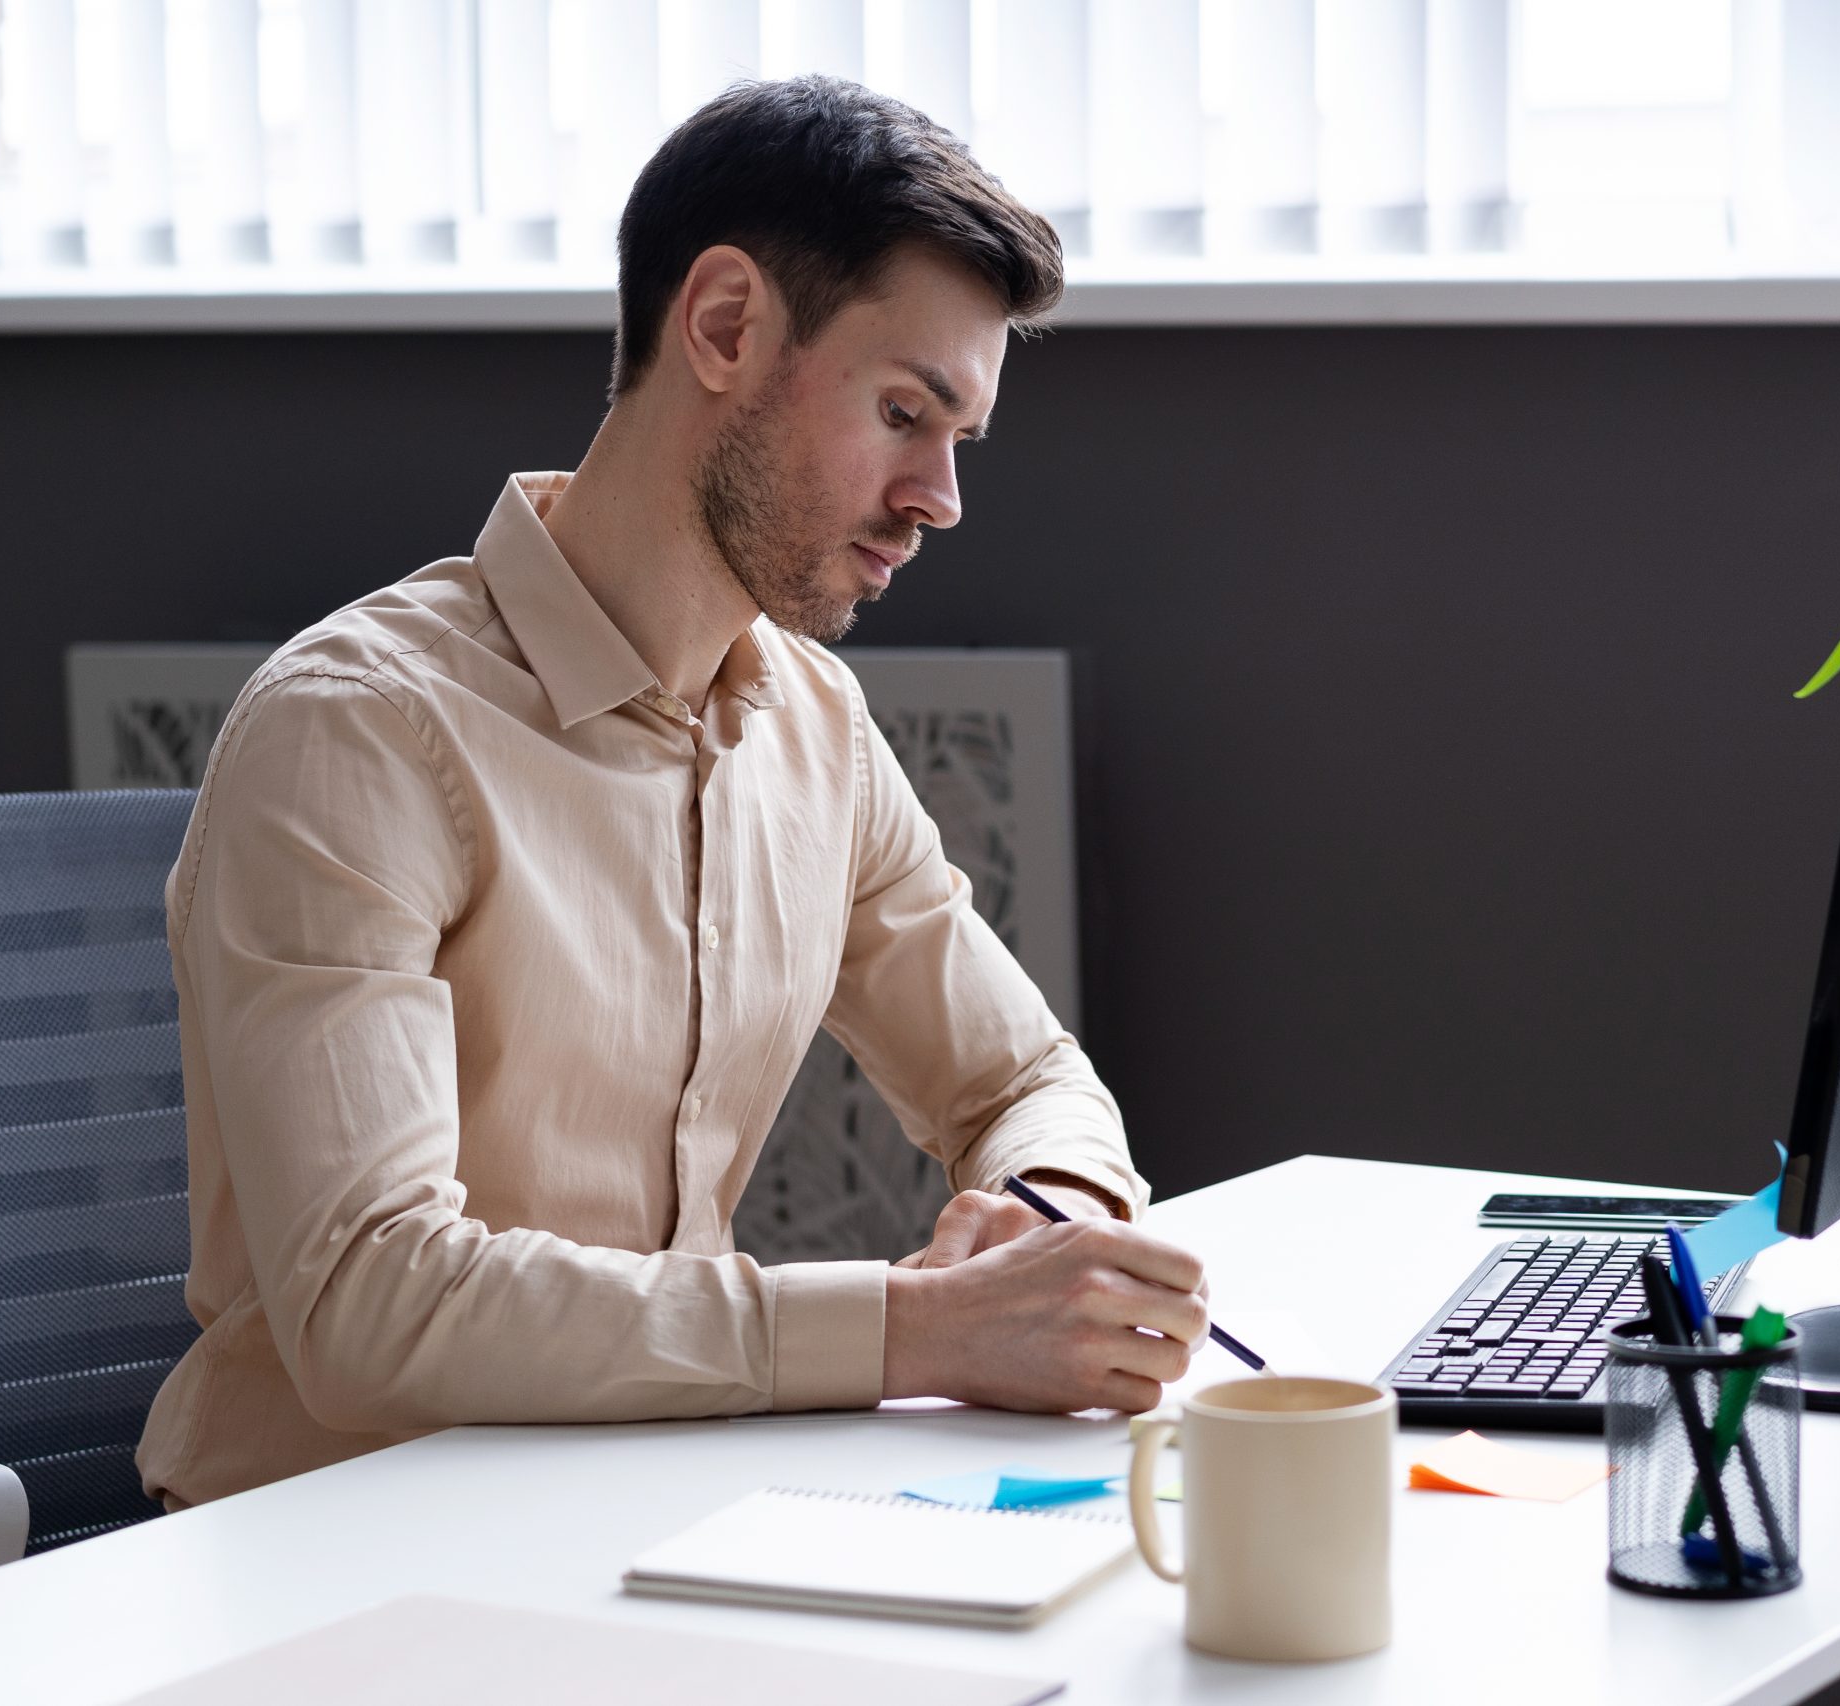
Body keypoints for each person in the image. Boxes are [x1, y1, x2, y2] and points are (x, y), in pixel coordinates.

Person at [136, 76, 1208, 1508]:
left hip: (645, 1510)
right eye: (904, 411)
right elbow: (371, 1302)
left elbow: (1021, 1077)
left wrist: (1045, 1226)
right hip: (324, 1552)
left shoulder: (815, 728)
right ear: (722, 326)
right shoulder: (361, 735)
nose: (941, 495)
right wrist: (916, 1329)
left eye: (960, 438)